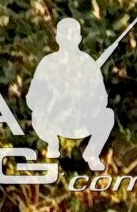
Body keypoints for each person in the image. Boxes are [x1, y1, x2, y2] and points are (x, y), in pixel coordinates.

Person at [27, 17, 118, 170]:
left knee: (107, 116)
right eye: (64, 34)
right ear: (58, 37)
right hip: (54, 121)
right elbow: (32, 99)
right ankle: (51, 146)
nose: (68, 38)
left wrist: (85, 94)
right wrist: (53, 94)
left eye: (72, 34)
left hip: (79, 121)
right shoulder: (48, 63)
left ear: (78, 38)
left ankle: (91, 154)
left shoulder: (88, 63)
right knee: (37, 116)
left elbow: (101, 99)